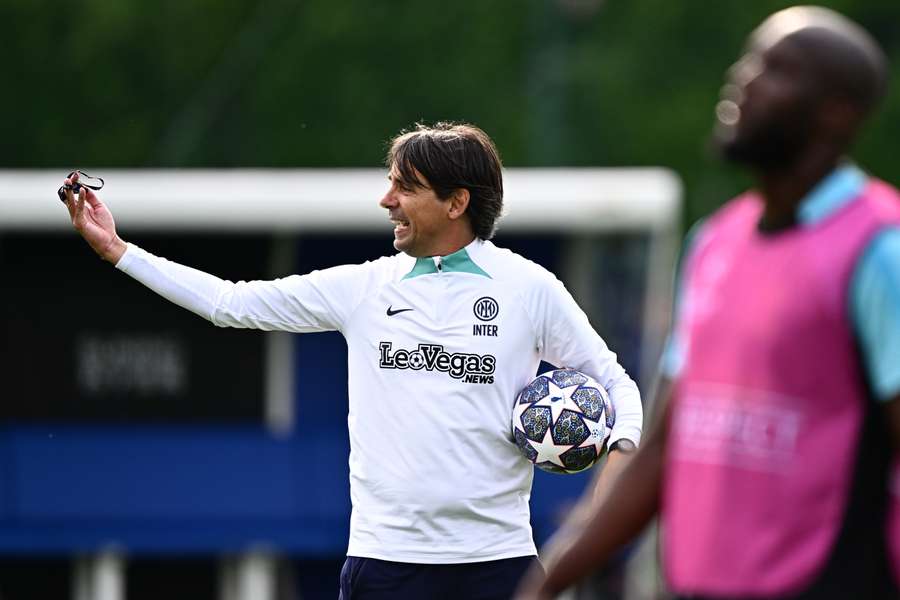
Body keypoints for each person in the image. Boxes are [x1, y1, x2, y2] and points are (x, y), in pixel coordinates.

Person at [61, 122, 643, 600]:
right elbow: (230, 303)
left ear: (456, 201)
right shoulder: (363, 288)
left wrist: (618, 461)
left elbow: (615, 383)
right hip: (384, 566)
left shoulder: (529, 288)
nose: (386, 200)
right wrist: (120, 251)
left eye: (404, 188)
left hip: (499, 565)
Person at [516, 6, 900, 600]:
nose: (743, 77)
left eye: (778, 68)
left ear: (838, 112)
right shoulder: (714, 243)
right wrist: (547, 579)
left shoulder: (880, 248)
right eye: (749, 59)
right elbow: (665, 448)